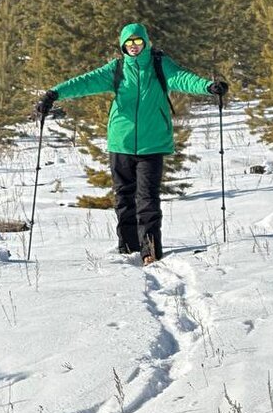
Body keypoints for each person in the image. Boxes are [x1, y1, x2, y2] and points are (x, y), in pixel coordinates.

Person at [37, 22, 227, 264]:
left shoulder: (160, 65)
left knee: (148, 198)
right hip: (121, 142)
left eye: (138, 42)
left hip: (152, 143)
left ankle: (149, 251)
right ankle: (127, 248)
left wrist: (209, 87)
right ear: (123, 46)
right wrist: (54, 93)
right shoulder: (116, 69)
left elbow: (183, 78)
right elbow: (85, 82)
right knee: (123, 198)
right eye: (129, 43)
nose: (134, 47)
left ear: (146, 43)